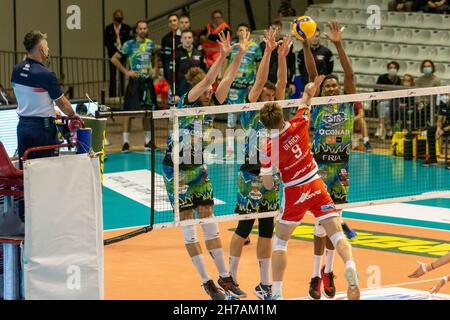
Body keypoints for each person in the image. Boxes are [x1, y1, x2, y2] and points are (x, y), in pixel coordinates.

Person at [162, 31, 250, 300]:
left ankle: (224, 277)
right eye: (205, 88)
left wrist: (240, 55)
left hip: (198, 167)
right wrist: (222, 54)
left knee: (209, 223)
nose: (209, 90)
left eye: (210, 90)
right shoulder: (186, 100)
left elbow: (226, 80)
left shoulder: (212, 102)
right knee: (190, 229)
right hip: (176, 169)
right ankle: (206, 281)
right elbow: (212, 78)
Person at [259, 75, 360, 301]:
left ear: (266, 125)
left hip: (294, 191)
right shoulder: (299, 123)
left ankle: (276, 293)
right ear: (281, 114)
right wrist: (309, 89)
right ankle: (350, 264)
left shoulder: (267, 148)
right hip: (316, 183)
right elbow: (306, 101)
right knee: (336, 233)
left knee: (281, 241)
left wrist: (270, 175)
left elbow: (267, 184)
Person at [228, 30, 293, 300]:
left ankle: (264, 285)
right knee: (243, 229)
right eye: (264, 91)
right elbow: (260, 82)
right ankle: (229, 280)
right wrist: (267, 52)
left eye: (271, 93)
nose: (268, 93)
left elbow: (282, 82)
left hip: (271, 176)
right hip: (250, 174)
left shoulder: (276, 114)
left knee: (267, 230)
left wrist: (282, 56)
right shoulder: (251, 110)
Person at [302, 21, 359, 300]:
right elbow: (313, 75)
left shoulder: (348, 101)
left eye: (336, 86)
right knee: (320, 225)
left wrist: (337, 44)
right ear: (324, 90)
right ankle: (316, 274)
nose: (334, 88)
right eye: (330, 86)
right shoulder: (319, 103)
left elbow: (350, 74)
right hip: (320, 168)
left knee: (334, 225)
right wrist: (304, 43)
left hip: (342, 169)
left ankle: (327, 270)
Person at [11, 31, 78, 168]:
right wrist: (72, 115)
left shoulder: (16, 70)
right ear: (41, 49)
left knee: (27, 171)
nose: (48, 49)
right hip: (42, 129)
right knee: (46, 170)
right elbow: (62, 103)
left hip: (23, 126)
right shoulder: (46, 74)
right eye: (46, 46)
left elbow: (22, 96)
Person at [111, 20, 159, 153]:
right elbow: (114, 59)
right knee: (128, 112)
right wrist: (126, 72)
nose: (143, 30)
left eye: (145, 28)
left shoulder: (150, 43)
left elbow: (155, 56)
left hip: (147, 82)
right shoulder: (129, 44)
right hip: (134, 83)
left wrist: (155, 69)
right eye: (141, 28)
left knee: (147, 112)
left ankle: (148, 142)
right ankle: (125, 142)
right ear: (136, 30)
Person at [225, 23, 263, 158]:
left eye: (246, 30)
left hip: (248, 88)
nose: (243, 32)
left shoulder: (255, 48)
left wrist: (257, 84)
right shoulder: (234, 46)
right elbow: (227, 64)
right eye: (240, 30)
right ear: (237, 32)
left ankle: (248, 147)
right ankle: (229, 149)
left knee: (248, 119)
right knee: (231, 119)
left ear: (249, 33)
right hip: (234, 87)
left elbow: (259, 66)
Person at [260, 21, 296, 100]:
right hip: (267, 83)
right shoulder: (263, 45)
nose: (276, 31)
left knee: (282, 108)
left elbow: (292, 64)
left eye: (278, 29)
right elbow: (259, 65)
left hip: (281, 82)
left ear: (281, 30)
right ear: (269, 29)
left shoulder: (285, 44)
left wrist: (292, 83)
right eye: (273, 28)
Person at [171, 30, 206, 103]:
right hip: (182, 88)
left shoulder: (199, 53)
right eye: (185, 38)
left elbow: (204, 72)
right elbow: (172, 76)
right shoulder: (176, 54)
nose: (187, 40)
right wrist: (175, 94)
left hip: (197, 88)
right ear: (181, 40)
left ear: (193, 39)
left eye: (189, 37)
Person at [104, 9, 132, 98]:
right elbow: (107, 42)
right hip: (112, 55)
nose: (118, 17)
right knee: (112, 75)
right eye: (117, 16)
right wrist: (114, 52)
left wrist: (122, 52)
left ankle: (122, 94)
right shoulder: (108, 28)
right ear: (113, 17)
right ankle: (112, 95)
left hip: (122, 55)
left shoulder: (126, 28)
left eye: (120, 16)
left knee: (122, 75)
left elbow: (128, 41)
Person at [375, 61, 402, 140]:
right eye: (390, 68)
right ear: (387, 69)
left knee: (386, 106)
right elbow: (377, 90)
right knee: (384, 105)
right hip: (381, 100)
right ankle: (383, 128)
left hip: (393, 102)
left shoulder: (399, 80)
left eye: (394, 68)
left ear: (397, 69)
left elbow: (398, 95)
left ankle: (381, 128)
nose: (392, 69)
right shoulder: (382, 78)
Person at [423, 93, 450, 167]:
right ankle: (432, 158)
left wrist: (443, 130)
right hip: (446, 126)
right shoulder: (444, 102)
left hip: (447, 127)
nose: (447, 94)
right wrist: (438, 128)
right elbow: (440, 116)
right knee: (431, 130)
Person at [161, 14, 182, 100]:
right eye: (170, 21)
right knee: (174, 98)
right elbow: (164, 59)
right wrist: (166, 72)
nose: (173, 23)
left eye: (174, 20)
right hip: (171, 72)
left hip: (183, 71)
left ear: (178, 22)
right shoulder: (165, 39)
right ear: (168, 24)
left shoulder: (185, 36)